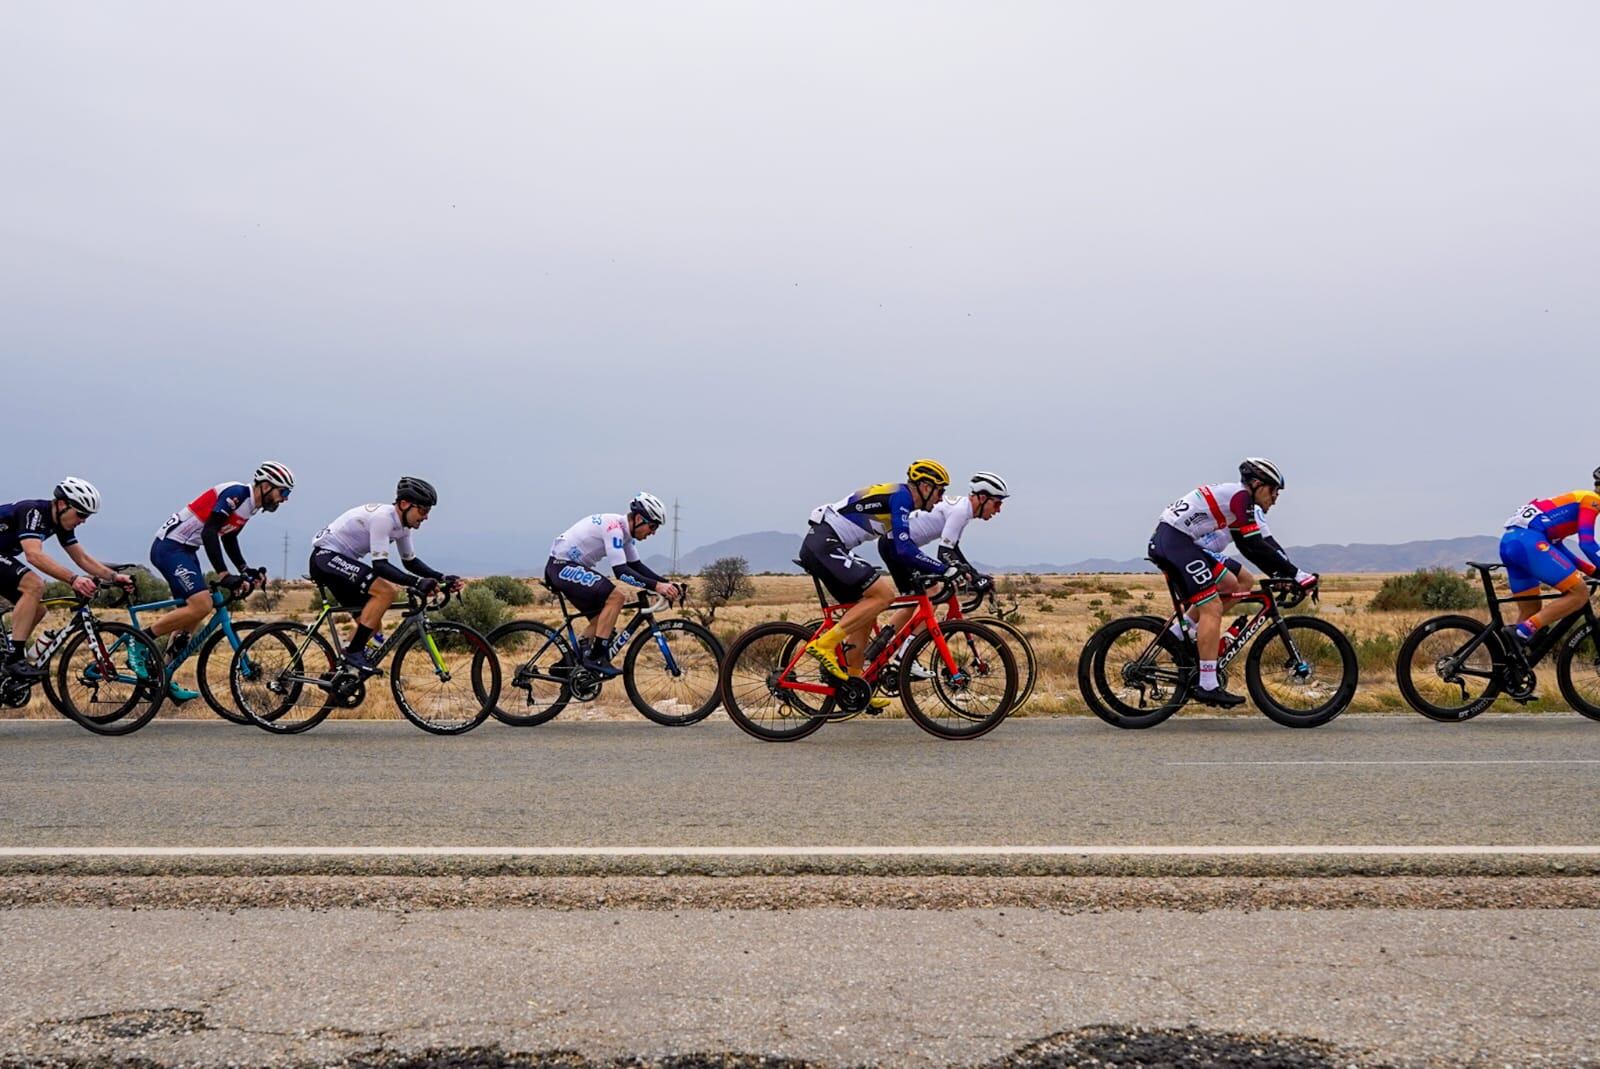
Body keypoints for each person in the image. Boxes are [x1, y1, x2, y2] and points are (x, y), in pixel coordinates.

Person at [1148, 458, 1316, 707]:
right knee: (1212, 607)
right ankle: (1207, 684)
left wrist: (1286, 575)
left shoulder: (1240, 501)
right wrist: (1297, 574)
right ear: (1258, 484)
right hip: (1175, 541)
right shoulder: (1241, 498)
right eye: (1273, 490)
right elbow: (1258, 545)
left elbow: (1251, 548)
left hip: (1179, 540)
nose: (1276, 498)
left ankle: (1177, 635)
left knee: (1231, 583)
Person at [799, 460, 960, 706]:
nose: (941, 499)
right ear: (926, 486)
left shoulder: (901, 500)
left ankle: (855, 684)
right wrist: (942, 568)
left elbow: (896, 548)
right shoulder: (901, 498)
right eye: (940, 491)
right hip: (825, 542)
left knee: (866, 613)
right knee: (884, 596)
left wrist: (924, 572)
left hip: (827, 543)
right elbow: (904, 548)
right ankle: (825, 644)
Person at [141, 462, 294, 693]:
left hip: (187, 551)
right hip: (171, 548)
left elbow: (229, 539)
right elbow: (210, 531)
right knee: (202, 604)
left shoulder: (250, 507)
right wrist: (224, 575)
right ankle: (140, 641)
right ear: (265, 486)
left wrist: (244, 570)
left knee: (191, 618)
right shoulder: (236, 494)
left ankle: (161, 676)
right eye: (283, 492)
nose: (284, 499)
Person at [309, 477, 462, 673]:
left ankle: (340, 675)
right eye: (423, 510)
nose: (426, 517)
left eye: (428, 511)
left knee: (372, 624)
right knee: (387, 592)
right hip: (326, 557)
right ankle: (353, 653)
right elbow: (380, 566)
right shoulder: (383, 519)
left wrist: (441, 578)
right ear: (405, 504)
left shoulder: (403, 527)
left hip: (337, 560)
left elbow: (410, 562)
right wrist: (417, 582)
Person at [868, 471, 1010, 666]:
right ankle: (905, 657)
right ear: (982, 498)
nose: (998, 510)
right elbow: (944, 553)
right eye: (997, 503)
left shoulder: (964, 511)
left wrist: (976, 575)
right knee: (933, 593)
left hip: (893, 545)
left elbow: (954, 551)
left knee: (912, 603)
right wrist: (972, 577)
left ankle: (875, 652)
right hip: (897, 546)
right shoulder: (961, 511)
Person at [0, 478, 132, 680]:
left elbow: (82, 558)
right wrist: (74, 580)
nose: (83, 520)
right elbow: (33, 555)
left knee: (37, 609)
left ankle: (7, 652)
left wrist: (114, 577)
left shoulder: (60, 523)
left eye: (87, 516)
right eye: (80, 514)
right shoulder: (33, 512)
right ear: (62, 504)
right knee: (34, 584)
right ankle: (14, 659)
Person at [545, 492, 679, 678]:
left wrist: (667, 584)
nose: (653, 532)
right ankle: (597, 658)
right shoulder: (614, 528)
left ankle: (568, 665)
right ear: (639, 518)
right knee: (617, 597)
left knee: (604, 619)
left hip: (567, 567)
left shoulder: (625, 535)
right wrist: (657, 587)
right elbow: (621, 572)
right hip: (561, 565)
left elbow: (636, 566)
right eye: (652, 526)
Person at [1497, 469, 1600, 655]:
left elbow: (1557, 546)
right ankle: (1521, 632)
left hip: (1510, 543)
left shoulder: (1576, 498)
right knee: (1579, 593)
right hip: (1529, 543)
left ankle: (1509, 670)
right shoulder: (1592, 501)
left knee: (1531, 609)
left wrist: (1592, 570)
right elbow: (1587, 543)